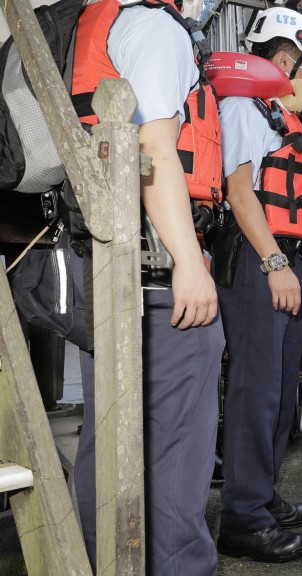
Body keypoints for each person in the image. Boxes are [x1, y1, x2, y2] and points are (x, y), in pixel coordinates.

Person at [68, 0, 224, 573]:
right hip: (153, 273)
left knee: (106, 439)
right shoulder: (155, 28)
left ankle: (100, 562)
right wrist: (189, 260)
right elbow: (155, 150)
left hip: (105, 266)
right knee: (177, 446)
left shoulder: (95, 21)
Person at [214, 6, 302, 562]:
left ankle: (261, 496)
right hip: (258, 261)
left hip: (284, 259)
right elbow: (241, 194)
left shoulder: (273, 113)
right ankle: (243, 517)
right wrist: (272, 263)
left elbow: (279, 189)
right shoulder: (243, 106)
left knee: (282, 392)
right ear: (286, 57)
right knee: (256, 393)